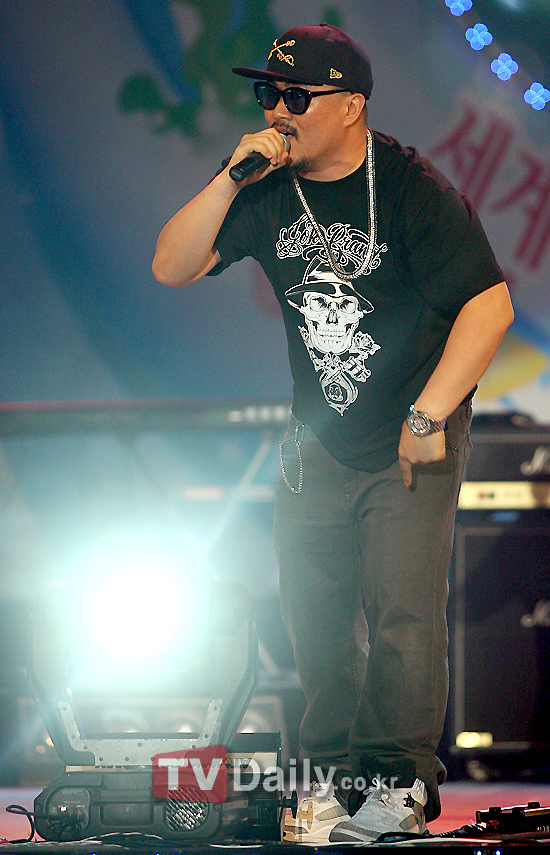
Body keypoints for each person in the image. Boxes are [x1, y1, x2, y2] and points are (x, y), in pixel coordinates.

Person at [152, 23, 514, 841]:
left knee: (401, 614)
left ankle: (396, 789)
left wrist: (428, 414)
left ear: (349, 105)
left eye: (296, 96)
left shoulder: (412, 187)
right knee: (314, 619)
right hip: (318, 436)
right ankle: (330, 783)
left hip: (410, 430)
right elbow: (171, 265)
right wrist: (229, 177)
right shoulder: (265, 187)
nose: (277, 111)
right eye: (267, 94)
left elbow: (488, 307)